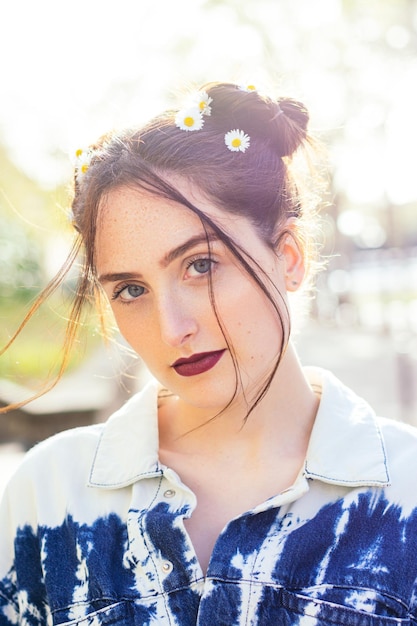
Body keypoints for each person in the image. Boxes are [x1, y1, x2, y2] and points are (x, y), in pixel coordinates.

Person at [1, 81, 417, 626]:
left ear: (288, 257)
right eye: (130, 290)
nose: (172, 328)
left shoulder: (405, 489)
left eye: (200, 265)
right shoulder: (51, 492)